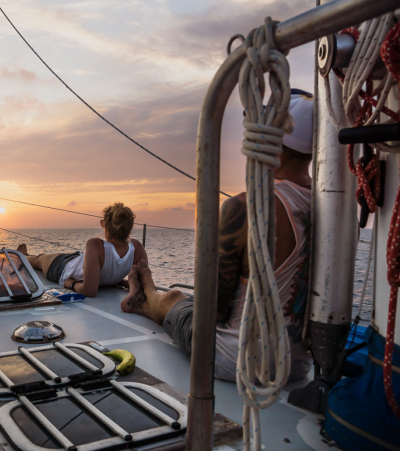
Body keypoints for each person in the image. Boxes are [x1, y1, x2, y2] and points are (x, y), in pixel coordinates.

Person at [121, 90, 315, 382]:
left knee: (176, 298)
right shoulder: (332, 206)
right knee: (182, 299)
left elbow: (214, 313)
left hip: (231, 359)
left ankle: (143, 295)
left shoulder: (245, 206)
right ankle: (146, 290)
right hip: (296, 367)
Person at [17, 203, 147, 297]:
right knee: (42, 258)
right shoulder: (137, 248)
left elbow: (89, 291)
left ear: (105, 225)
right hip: (73, 262)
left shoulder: (95, 245)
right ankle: (22, 256)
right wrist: (119, 281)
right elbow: (143, 283)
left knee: (40, 259)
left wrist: (71, 284)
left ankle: (23, 256)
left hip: (61, 268)